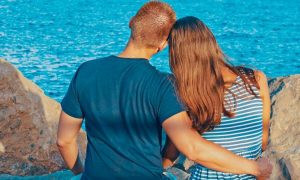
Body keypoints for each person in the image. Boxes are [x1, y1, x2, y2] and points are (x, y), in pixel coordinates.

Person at [56, 2, 272, 179]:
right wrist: (255, 168)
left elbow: (64, 141)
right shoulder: (164, 85)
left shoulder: (85, 71)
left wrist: (80, 173)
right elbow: (191, 147)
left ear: (131, 23)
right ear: (162, 45)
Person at [162, 16, 271, 179]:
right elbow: (262, 141)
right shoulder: (256, 79)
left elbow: (173, 151)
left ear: (179, 56)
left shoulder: (188, 93)